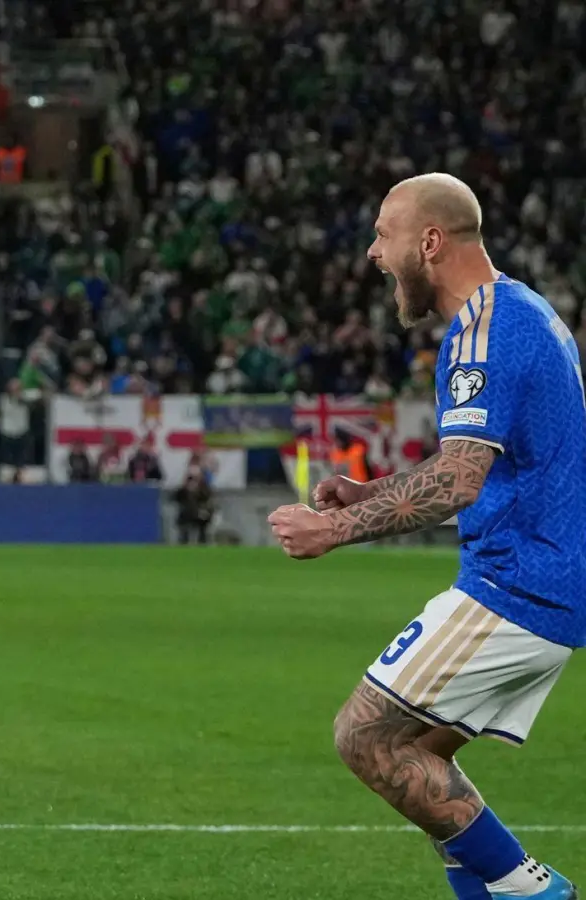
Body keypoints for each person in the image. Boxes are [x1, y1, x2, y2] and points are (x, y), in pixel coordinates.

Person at [268, 173, 580, 900]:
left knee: (365, 737)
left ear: (430, 242)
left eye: (384, 234)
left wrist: (335, 528)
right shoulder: (519, 310)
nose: (374, 252)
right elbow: (477, 463)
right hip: (549, 582)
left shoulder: (483, 333)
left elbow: (460, 481)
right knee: (420, 768)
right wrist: (371, 491)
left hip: (518, 584)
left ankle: (536, 892)